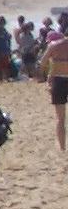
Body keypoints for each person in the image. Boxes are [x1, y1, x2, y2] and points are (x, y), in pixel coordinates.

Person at [45, 24, 68, 156]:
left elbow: (42, 62)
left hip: (58, 80)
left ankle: (62, 147)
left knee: (60, 118)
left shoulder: (53, 46)